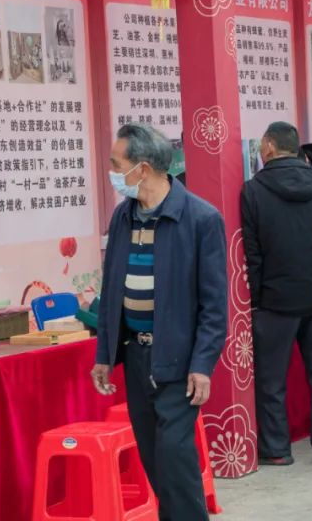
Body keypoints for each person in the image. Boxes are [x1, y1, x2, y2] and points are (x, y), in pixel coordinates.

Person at [93, 123, 228, 520]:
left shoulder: (200, 218)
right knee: (154, 459)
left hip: (178, 361)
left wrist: (202, 365)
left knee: (174, 459)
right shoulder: (124, 216)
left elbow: (214, 305)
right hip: (137, 357)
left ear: (144, 169)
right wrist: (105, 353)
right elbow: (112, 290)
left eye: (117, 165)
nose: (112, 173)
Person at [241, 122, 312, 466]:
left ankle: (277, 450)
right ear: (299, 150)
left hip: (274, 300)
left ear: (268, 147)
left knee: (271, 379)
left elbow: (252, 254)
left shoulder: (252, 191)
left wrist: (256, 299)